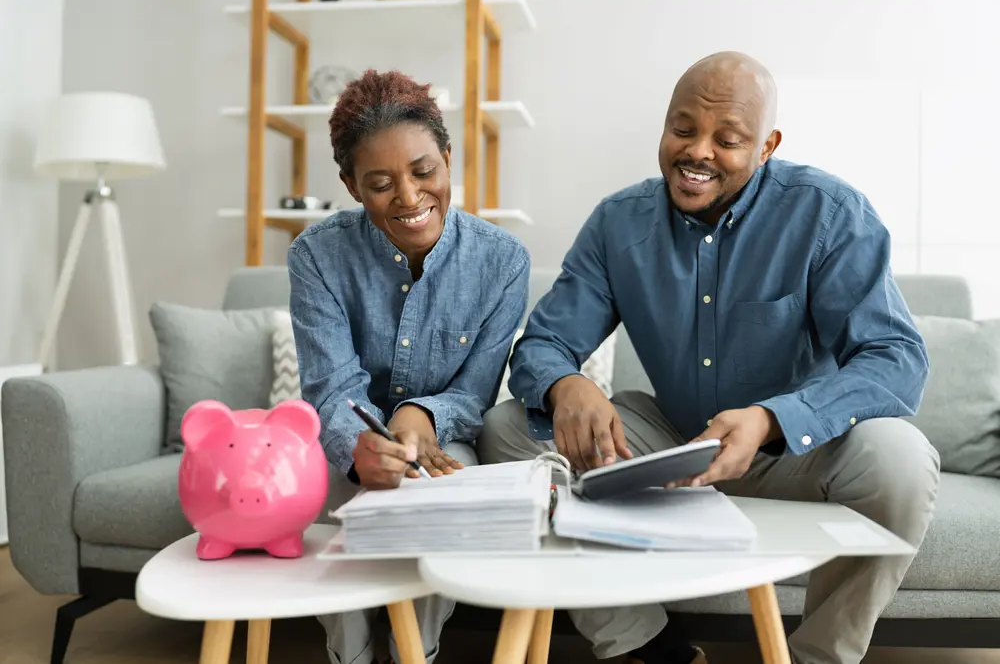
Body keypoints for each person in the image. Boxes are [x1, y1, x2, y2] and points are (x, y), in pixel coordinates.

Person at [478, 51, 941, 664]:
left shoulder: (828, 213)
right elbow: (542, 345)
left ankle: (817, 657)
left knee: (901, 460)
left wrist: (774, 418)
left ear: (767, 146)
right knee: (507, 429)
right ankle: (648, 646)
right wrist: (566, 384)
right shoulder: (618, 223)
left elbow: (895, 357)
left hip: (794, 452)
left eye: (727, 139)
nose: (697, 151)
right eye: (683, 128)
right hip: (675, 437)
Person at [288, 68, 530, 664]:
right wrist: (356, 446)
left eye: (424, 172)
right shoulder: (315, 257)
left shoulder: (503, 262)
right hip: (348, 438)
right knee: (322, 486)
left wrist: (422, 416)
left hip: (444, 442)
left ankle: (413, 654)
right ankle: (349, 655)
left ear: (447, 158)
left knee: (441, 503)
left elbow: (475, 393)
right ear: (350, 186)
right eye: (380, 183)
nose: (409, 197)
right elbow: (330, 390)